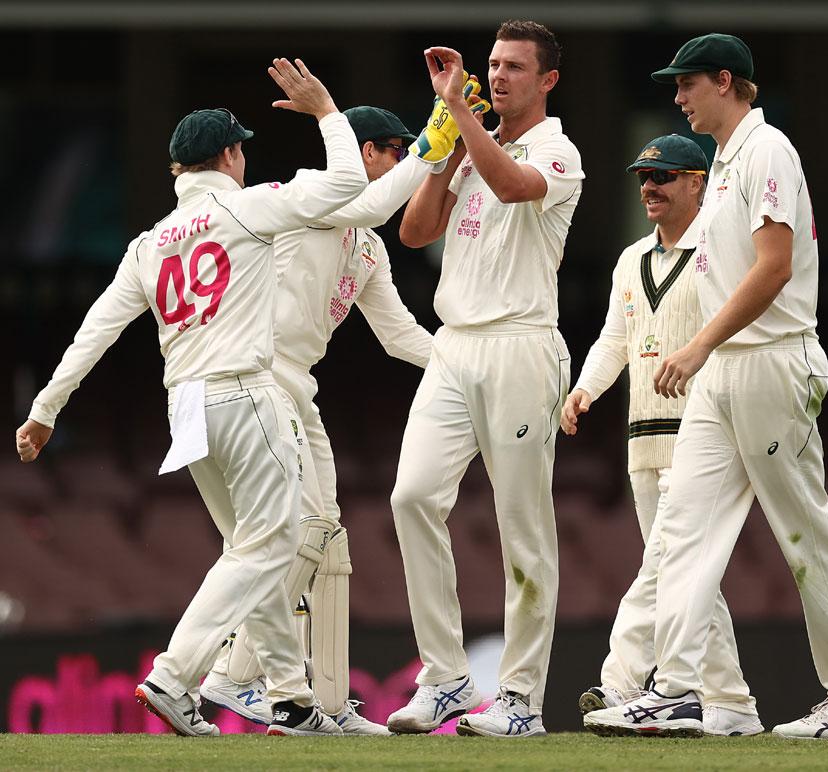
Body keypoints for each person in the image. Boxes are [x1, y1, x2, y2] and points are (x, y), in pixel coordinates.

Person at [14, 59, 366, 737]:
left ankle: (290, 697)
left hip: (187, 410)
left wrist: (44, 410)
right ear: (230, 156)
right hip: (246, 393)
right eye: (241, 149)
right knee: (272, 543)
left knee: (248, 546)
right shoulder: (249, 204)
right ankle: (174, 677)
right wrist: (326, 111)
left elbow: (98, 329)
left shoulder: (149, 244)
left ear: (180, 169)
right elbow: (349, 184)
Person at [584, 33, 828, 740]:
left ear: (726, 81)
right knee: (681, 532)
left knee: (802, 534)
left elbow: (775, 266)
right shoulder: (724, 162)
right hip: (725, 370)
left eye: (687, 84)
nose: (677, 97)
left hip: (773, 360)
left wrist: (697, 344)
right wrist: (706, 354)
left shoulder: (768, 150)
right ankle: (677, 690)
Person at [197, 100, 482, 734]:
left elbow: (399, 335)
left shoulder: (367, 247)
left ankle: (323, 701)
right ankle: (236, 674)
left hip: (301, 387)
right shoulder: (305, 198)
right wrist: (431, 149)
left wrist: (473, 368)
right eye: (390, 151)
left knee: (327, 536)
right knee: (297, 536)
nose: (393, 165)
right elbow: (373, 202)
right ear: (365, 153)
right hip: (259, 377)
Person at [385, 19, 583, 738]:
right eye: (492, 66)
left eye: (514, 68)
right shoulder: (468, 144)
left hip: (521, 347)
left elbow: (510, 186)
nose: (498, 76)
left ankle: (522, 700)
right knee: (411, 497)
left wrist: (463, 115)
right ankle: (445, 677)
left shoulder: (558, 149)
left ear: (547, 79)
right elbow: (414, 232)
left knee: (522, 530)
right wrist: (442, 144)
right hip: (455, 345)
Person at [563, 134, 762, 737]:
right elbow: (616, 338)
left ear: (698, 181)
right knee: (689, 576)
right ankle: (734, 704)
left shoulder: (721, 252)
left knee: (667, 564)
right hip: (642, 438)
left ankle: (620, 680)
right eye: (643, 178)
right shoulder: (630, 259)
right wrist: (585, 388)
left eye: (664, 177)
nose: (650, 187)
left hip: (701, 436)